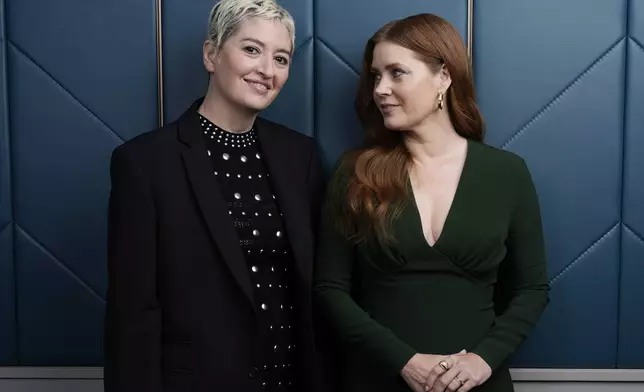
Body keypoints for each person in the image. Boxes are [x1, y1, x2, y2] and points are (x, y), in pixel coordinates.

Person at [313, 13, 550, 392]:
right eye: (376, 76)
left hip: (478, 384)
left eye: (396, 73)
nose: (380, 89)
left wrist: (482, 360)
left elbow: (532, 290)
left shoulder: (507, 173)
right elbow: (330, 289)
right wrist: (404, 362)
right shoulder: (354, 171)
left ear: (444, 75)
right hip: (376, 379)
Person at [104, 1, 330, 391]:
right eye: (251, 49)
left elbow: (318, 288)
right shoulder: (145, 163)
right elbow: (133, 314)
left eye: (281, 58)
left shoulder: (302, 156)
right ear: (211, 54)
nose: (267, 70)